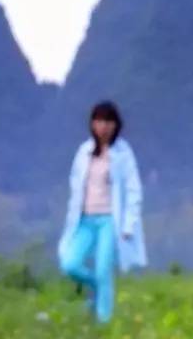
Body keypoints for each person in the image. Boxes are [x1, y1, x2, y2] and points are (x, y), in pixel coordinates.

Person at [58, 102, 147, 323]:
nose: (103, 127)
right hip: (85, 219)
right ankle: (95, 288)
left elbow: (133, 189)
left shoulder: (123, 154)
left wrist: (128, 225)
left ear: (116, 125)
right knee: (70, 263)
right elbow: (75, 187)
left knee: (103, 270)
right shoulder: (84, 152)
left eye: (108, 121)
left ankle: (103, 323)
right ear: (92, 124)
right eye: (98, 121)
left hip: (109, 220)